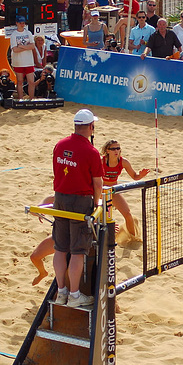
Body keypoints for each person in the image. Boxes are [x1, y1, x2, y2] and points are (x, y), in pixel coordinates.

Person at [52, 109, 103, 308]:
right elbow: (98, 184)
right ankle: (74, 295)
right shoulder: (91, 152)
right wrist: (96, 205)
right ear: (91, 127)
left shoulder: (60, 145)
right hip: (80, 201)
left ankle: (61, 292)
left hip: (60, 199)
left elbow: (58, 173)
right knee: (77, 251)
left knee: (60, 247)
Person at [101, 140, 150, 242]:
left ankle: (133, 238)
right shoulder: (101, 161)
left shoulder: (123, 162)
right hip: (101, 192)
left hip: (114, 191)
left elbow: (135, 176)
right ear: (107, 150)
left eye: (118, 148)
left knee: (128, 214)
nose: (116, 151)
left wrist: (141, 175)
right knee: (99, 218)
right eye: (113, 148)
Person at [10, 15, 36, 99]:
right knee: (20, 81)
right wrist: (26, 47)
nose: (22, 25)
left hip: (29, 61)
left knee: (31, 81)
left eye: (23, 23)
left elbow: (32, 46)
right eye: (20, 23)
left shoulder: (28, 33)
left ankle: (31, 98)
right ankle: (20, 99)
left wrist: (21, 46)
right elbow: (15, 49)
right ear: (17, 23)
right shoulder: (14, 34)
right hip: (18, 62)